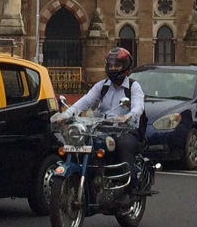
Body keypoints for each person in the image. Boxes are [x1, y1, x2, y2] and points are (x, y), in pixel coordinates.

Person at [59, 48, 145, 177]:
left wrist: (128, 116)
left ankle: (129, 185)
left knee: (124, 145)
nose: (113, 68)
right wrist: (67, 114)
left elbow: (138, 106)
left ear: (125, 66)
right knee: (85, 142)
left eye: (117, 65)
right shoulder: (102, 86)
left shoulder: (133, 86)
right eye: (110, 65)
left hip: (126, 129)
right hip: (102, 129)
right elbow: (86, 101)